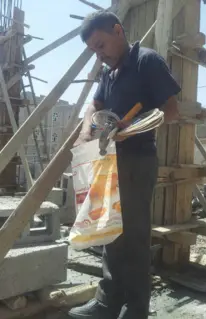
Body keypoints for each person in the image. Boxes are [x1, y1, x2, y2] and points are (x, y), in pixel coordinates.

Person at [68, 11, 181, 319]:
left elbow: (170, 110)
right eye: (94, 50)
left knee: (133, 236)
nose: (99, 54)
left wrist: (129, 128)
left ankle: (135, 308)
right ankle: (108, 302)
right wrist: (85, 130)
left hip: (136, 161)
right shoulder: (110, 73)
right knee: (109, 232)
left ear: (118, 31)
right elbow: (95, 103)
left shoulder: (147, 61)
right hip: (110, 162)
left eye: (101, 45)